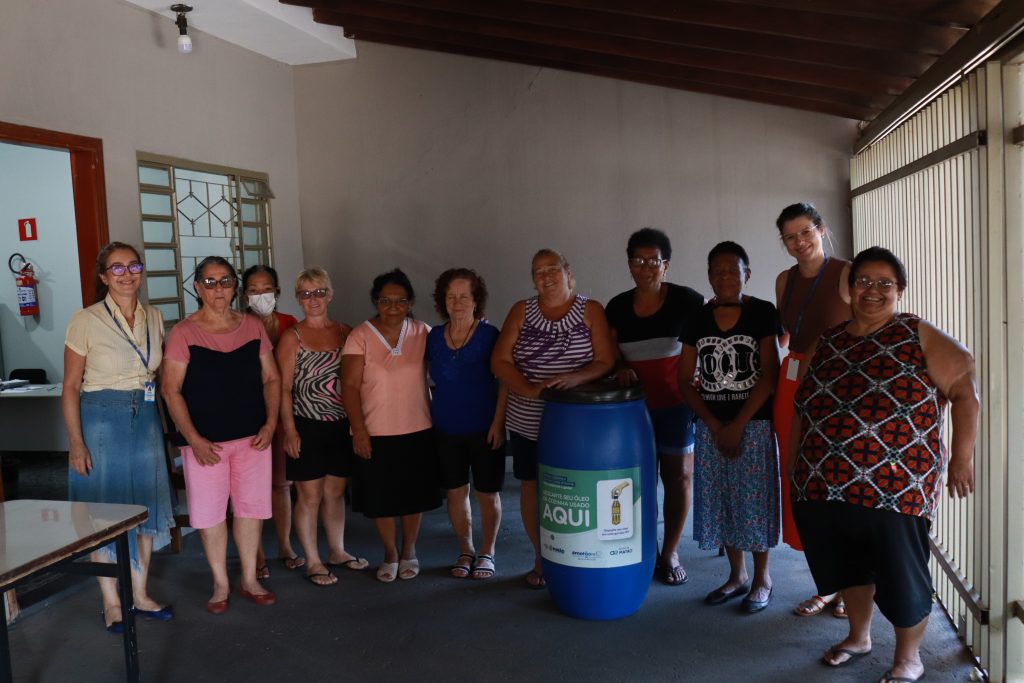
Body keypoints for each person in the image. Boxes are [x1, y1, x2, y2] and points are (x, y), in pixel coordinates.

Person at [791, 247, 978, 682]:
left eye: (884, 283)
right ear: (849, 288)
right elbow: (802, 405)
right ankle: (858, 637)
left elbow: (966, 390)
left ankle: (909, 658)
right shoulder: (830, 339)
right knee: (848, 565)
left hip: (896, 486)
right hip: (823, 483)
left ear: (900, 290)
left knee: (901, 575)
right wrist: (795, 467)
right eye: (863, 281)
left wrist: (962, 459)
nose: (872, 291)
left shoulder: (919, 334)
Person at [62, 242, 176, 632]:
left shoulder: (156, 316)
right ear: (103, 276)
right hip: (100, 423)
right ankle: (111, 602)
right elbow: (70, 386)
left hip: (143, 419)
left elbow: (159, 377)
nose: (127, 274)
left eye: (133, 266)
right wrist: (77, 442)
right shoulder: (86, 319)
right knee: (103, 513)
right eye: (117, 268)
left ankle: (140, 593)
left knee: (146, 506)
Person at [161, 256, 281, 613]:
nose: (218, 289)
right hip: (205, 444)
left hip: (253, 439)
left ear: (235, 287)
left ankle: (249, 578)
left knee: (250, 510)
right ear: (197, 287)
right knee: (210, 514)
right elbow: (171, 390)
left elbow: (272, 378)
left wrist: (271, 424)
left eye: (225, 281)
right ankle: (220, 583)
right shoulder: (184, 332)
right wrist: (194, 439)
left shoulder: (252, 326)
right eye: (210, 282)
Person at [492, 249, 615, 589]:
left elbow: (606, 361)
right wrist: (531, 390)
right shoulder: (521, 310)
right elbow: (500, 362)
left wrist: (574, 380)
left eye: (551, 269)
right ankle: (542, 556)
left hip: (576, 423)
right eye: (537, 271)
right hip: (528, 419)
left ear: (567, 271)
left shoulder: (590, 310)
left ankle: (576, 555)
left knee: (574, 492)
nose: (545, 276)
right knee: (532, 486)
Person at [678, 241, 781, 613]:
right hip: (710, 427)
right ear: (708, 276)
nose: (724, 276)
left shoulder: (762, 313)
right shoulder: (696, 318)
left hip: (751, 426)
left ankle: (762, 578)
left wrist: (737, 425)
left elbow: (770, 376)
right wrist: (713, 424)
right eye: (717, 271)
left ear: (746, 275)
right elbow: (684, 379)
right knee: (723, 501)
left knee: (754, 500)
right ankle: (736, 575)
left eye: (732, 270)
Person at [606, 228, 704, 586]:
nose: (645, 267)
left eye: (653, 261)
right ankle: (645, 547)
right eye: (638, 260)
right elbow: (610, 352)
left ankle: (670, 552)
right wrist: (620, 366)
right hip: (633, 413)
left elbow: (708, 344)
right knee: (637, 482)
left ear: (666, 266)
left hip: (677, 407)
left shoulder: (689, 302)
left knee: (678, 479)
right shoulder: (616, 307)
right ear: (629, 265)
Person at [772, 202, 852, 618]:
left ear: (820, 229)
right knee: (799, 482)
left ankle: (846, 590)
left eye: (806, 231)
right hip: (793, 382)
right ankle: (824, 583)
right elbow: (786, 337)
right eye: (790, 236)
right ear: (784, 243)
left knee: (837, 485)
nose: (800, 241)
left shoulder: (847, 273)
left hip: (839, 389)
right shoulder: (784, 281)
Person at [341, 268, 441, 583]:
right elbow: (349, 386)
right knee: (380, 497)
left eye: (400, 300)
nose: (393, 306)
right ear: (376, 301)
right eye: (386, 300)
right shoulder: (360, 335)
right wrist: (359, 430)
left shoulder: (424, 331)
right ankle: (389, 552)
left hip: (418, 428)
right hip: (374, 432)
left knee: (413, 495)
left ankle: (409, 550)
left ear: (410, 302)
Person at [276, 267, 367, 587]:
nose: (312, 299)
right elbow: (284, 388)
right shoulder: (292, 337)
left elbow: (358, 381)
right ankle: (313, 560)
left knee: (335, 492)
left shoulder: (346, 332)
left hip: (341, 425)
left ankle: (338, 551)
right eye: (305, 293)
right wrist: (290, 430)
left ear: (330, 294)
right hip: (306, 425)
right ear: (298, 298)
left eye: (318, 292)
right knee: (309, 496)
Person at [426, 268, 507, 580]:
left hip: (486, 428)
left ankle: (487, 551)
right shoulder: (433, 337)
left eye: (464, 296)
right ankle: (466, 549)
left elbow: (504, 383)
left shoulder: (490, 335)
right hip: (446, 428)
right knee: (456, 493)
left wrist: (499, 424)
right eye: (451, 296)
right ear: (443, 301)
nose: (457, 302)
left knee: (488, 494)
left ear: (476, 301)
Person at [242, 264, 304, 577]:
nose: (261, 295)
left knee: (281, 484)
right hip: (247, 413)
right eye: (253, 290)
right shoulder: (237, 324)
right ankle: (257, 553)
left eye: (266, 289)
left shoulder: (290, 324)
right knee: (249, 489)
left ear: (277, 292)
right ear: (244, 295)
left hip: (281, 414)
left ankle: (284, 544)